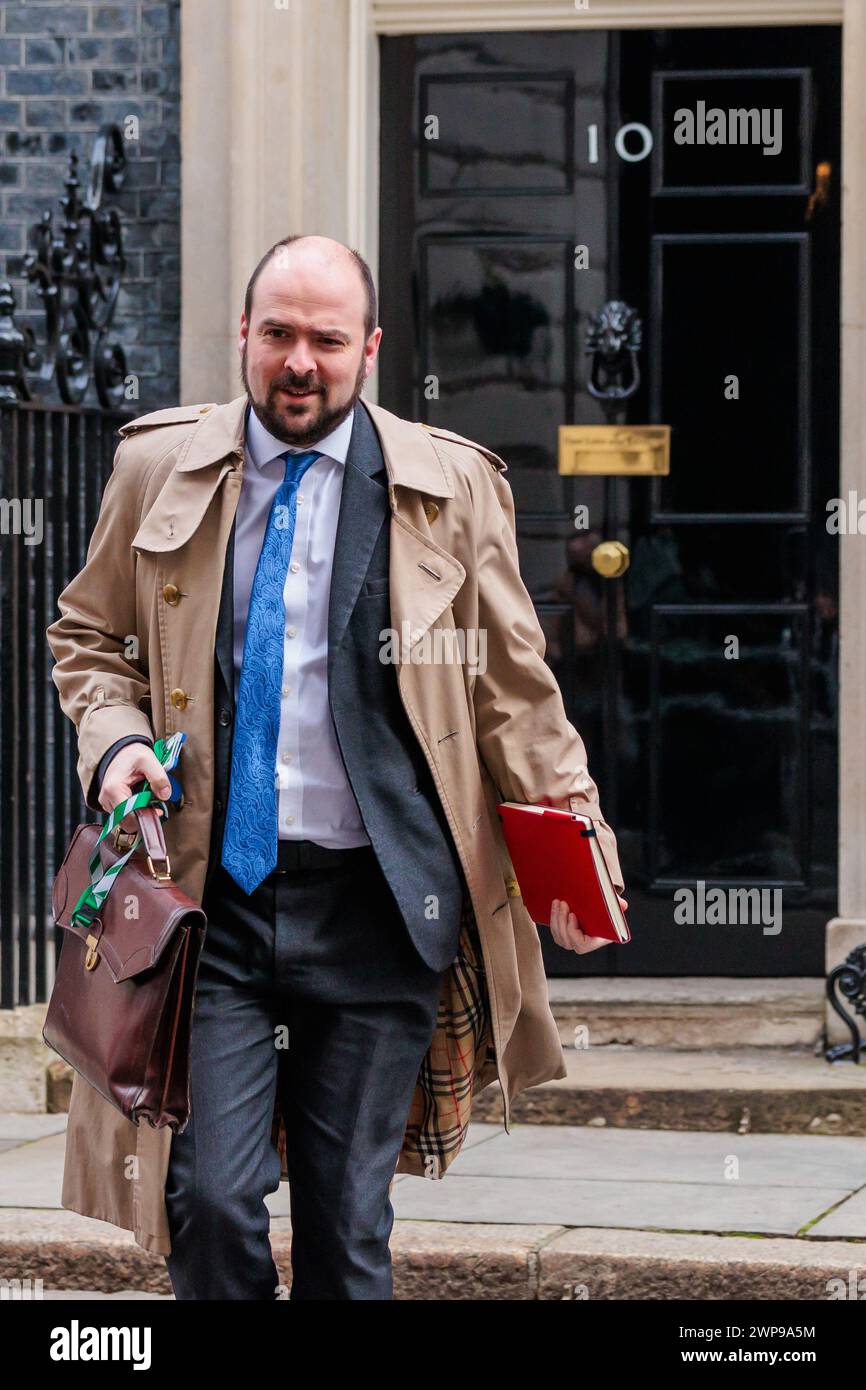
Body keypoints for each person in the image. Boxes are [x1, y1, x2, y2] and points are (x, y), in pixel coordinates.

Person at [46, 234, 627, 1300]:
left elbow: (511, 688)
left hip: (379, 907)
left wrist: (575, 850)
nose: (298, 362)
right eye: (277, 335)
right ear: (243, 338)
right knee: (208, 1203)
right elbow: (87, 637)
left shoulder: (447, 486)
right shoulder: (154, 468)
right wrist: (117, 739)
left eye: (323, 339)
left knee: (346, 1228)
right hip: (210, 904)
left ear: (367, 349)